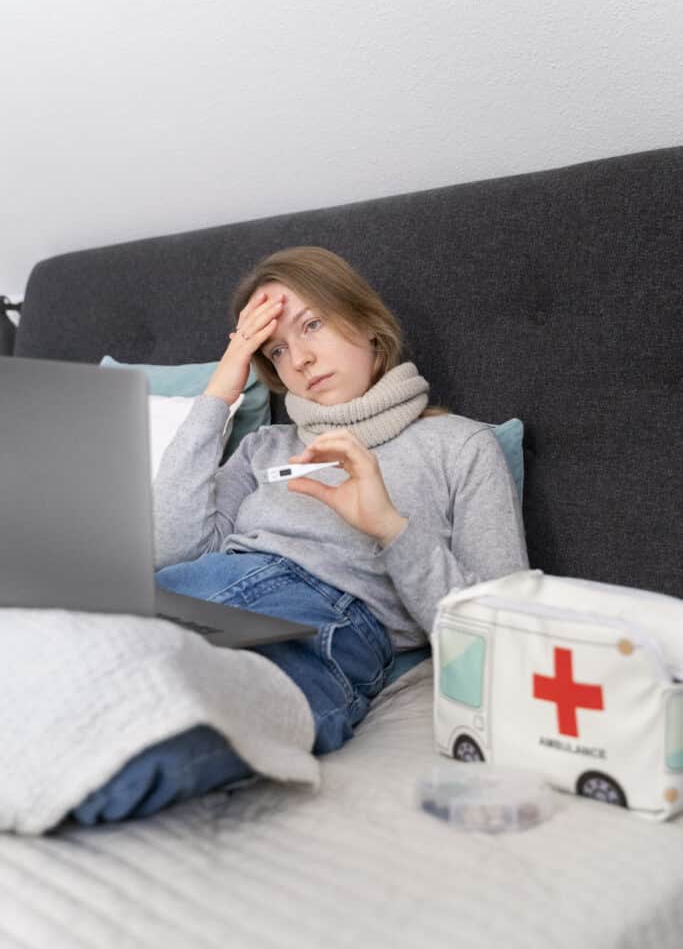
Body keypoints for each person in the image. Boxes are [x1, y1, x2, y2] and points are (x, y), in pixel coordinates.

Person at [72, 246, 529, 824]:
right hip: (202, 583)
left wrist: (389, 527)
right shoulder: (267, 446)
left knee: (158, 742)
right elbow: (170, 549)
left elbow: (502, 630)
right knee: (64, 656)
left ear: (368, 325)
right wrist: (221, 390)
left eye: (312, 324)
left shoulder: (459, 446)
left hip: (329, 620)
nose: (301, 359)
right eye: (277, 350)